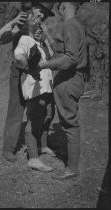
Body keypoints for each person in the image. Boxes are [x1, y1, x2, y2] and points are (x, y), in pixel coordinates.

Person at [0, 2, 55, 162]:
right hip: (18, 71)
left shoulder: (42, 30)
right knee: (16, 109)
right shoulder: (20, 22)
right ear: (34, 8)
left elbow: (49, 54)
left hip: (35, 74)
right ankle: (8, 149)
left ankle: (37, 145)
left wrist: (42, 40)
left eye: (45, 14)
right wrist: (13, 22)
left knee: (40, 109)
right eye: (41, 11)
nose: (42, 15)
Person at [39, 2, 87, 180]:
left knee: (70, 123)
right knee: (69, 122)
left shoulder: (69, 25)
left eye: (59, 7)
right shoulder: (75, 25)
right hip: (71, 79)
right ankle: (71, 161)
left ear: (64, 7)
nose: (58, 11)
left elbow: (70, 58)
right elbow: (63, 51)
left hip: (69, 79)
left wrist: (46, 64)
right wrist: (48, 38)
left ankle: (72, 168)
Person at [14, 9, 56, 172]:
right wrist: (27, 65)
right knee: (34, 119)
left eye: (41, 17)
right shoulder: (24, 39)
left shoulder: (39, 42)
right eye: (36, 16)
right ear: (27, 22)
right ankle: (33, 158)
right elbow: (19, 56)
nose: (40, 18)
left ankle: (42, 145)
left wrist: (45, 38)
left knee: (48, 114)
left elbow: (53, 57)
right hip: (34, 89)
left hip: (46, 86)